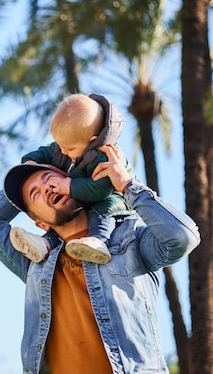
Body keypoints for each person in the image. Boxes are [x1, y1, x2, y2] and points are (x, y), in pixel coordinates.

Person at [0, 144, 200, 374]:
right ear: (39, 223)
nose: (46, 189)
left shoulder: (129, 240)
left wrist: (126, 185)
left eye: (50, 180)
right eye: (35, 194)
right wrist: (51, 158)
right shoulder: (36, 261)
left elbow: (183, 238)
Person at [10, 93, 134, 265]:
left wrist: (68, 186)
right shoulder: (70, 143)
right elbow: (48, 152)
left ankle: (99, 240)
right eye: (59, 145)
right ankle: (46, 244)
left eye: (67, 148)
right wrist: (31, 161)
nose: (63, 152)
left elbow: (100, 190)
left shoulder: (103, 156)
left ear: (91, 141)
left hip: (109, 200)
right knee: (57, 216)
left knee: (101, 213)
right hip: (82, 191)